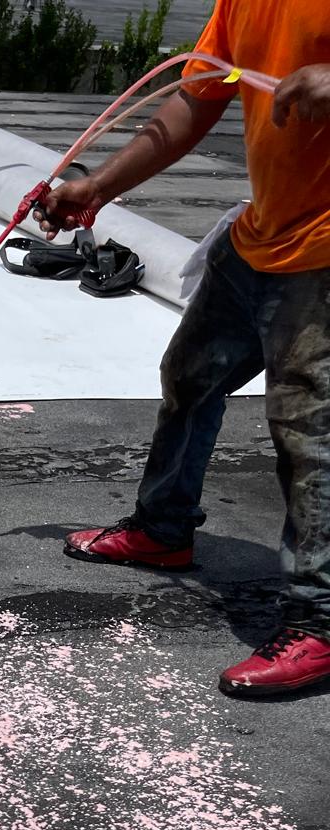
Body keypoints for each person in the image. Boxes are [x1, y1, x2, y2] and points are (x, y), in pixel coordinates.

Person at [41, 0, 330, 699]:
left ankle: (321, 621)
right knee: (190, 377)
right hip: (261, 236)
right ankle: (163, 529)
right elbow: (195, 101)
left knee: (310, 431)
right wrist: (99, 188)